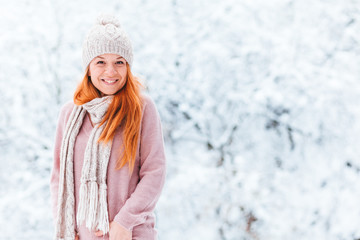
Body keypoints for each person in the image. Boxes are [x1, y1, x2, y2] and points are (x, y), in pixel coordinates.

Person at [50, 14, 166, 240]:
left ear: (128, 66)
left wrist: (124, 223)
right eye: (101, 62)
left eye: (119, 62)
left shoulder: (141, 109)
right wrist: (63, 226)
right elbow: (58, 178)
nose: (110, 71)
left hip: (129, 233)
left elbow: (155, 173)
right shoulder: (70, 114)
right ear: (89, 68)